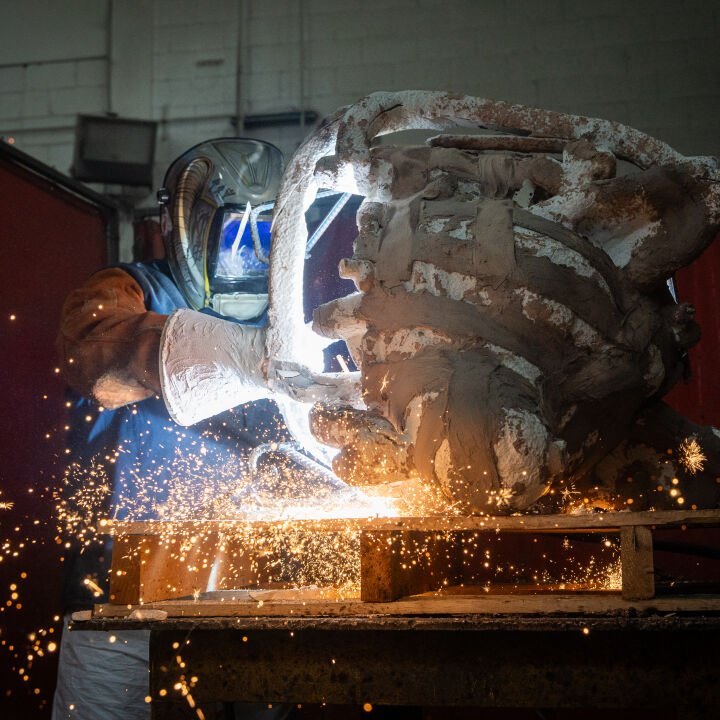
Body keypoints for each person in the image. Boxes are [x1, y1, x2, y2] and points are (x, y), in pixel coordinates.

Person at [52, 138, 299, 720]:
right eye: (236, 234)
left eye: (267, 235)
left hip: (257, 593)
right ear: (185, 228)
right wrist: (243, 355)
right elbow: (92, 354)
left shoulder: (293, 317)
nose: (250, 255)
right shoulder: (126, 291)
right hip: (121, 593)